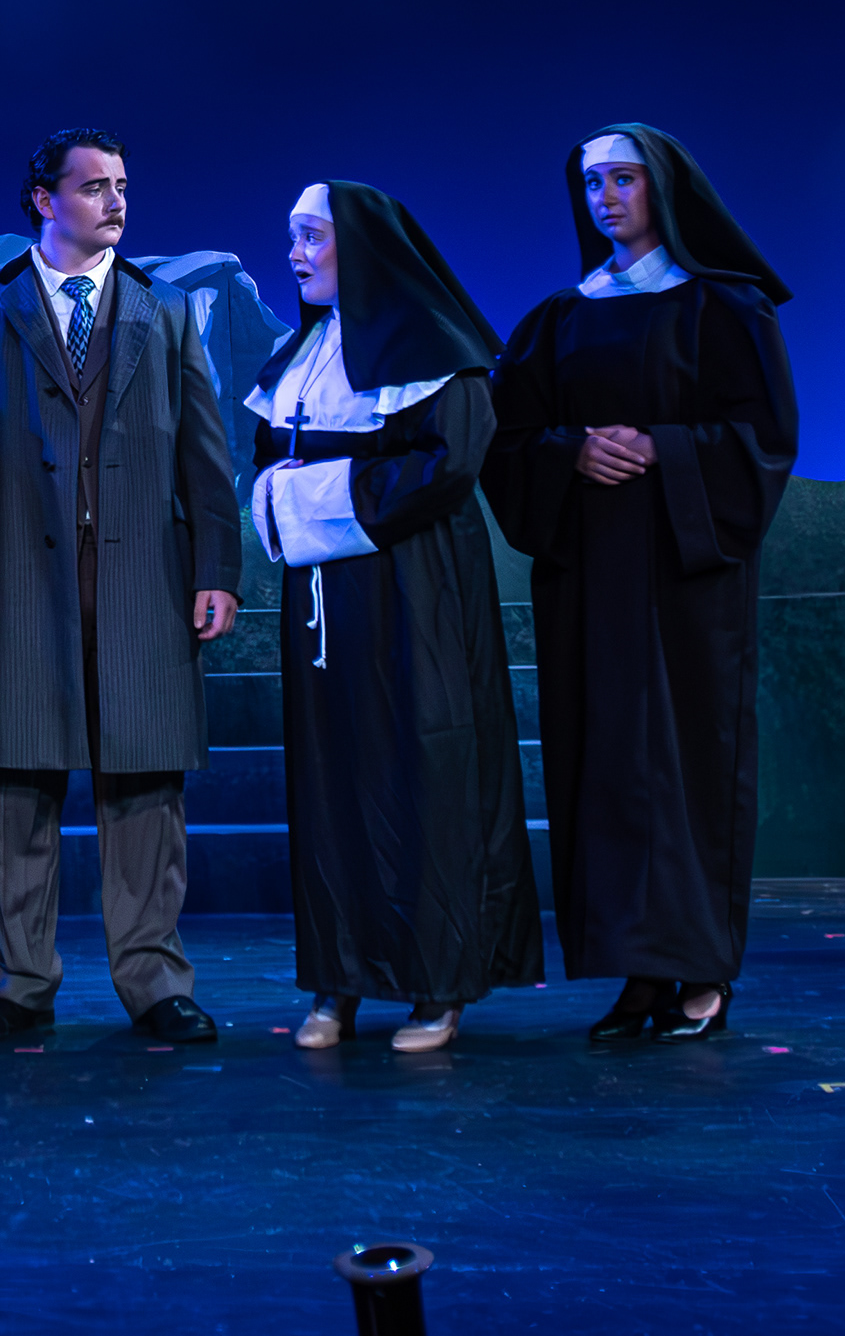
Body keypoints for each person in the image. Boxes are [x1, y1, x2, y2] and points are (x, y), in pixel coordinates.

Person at [0, 129, 240, 1046]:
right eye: (95, 185)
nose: (116, 200)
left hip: (144, 579)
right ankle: (21, 983)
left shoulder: (161, 306)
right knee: (22, 785)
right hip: (22, 577)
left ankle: (155, 981)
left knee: (145, 788)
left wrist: (217, 569)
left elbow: (205, 451)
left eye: (122, 185)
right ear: (43, 197)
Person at [483, 127, 798, 1044]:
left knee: (688, 763)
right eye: (592, 182)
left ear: (664, 187)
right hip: (588, 576)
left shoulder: (725, 307)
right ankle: (638, 971)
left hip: (687, 575)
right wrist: (571, 451)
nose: (606, 197)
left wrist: (662, 446)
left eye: (624, 178)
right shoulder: (559, 319)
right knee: (606, 765)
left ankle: (703, 970)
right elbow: (507, 441)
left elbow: (764, 439)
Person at [249, 181, 547, 1051]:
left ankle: (437, 982)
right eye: (293, 237)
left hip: (413, 591)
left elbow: (447, 465)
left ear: (364, 247)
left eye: (311, 237)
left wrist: (310, 499)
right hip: (323, 603)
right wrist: (289, 496)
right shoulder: (305, 350)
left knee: (425, 769)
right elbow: (269, 458)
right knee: (331, 777)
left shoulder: (437, 351)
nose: (296, 254)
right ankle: (339, 979)